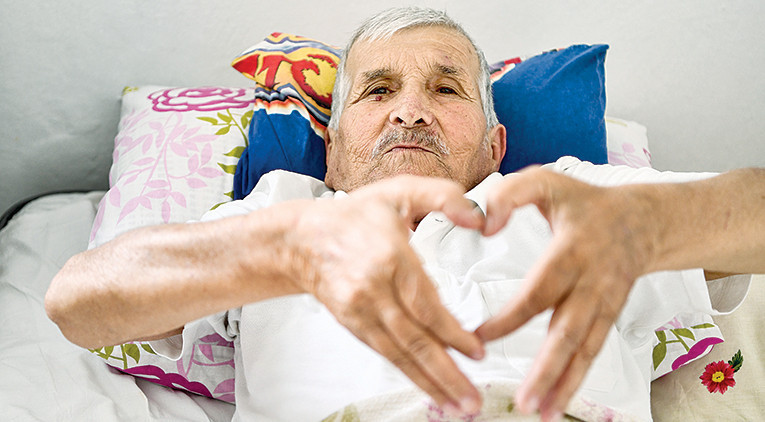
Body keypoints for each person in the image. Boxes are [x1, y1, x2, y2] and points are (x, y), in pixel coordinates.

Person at [44, 6, 763, 421]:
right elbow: (77, 304)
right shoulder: (280, 212)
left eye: (446, 89)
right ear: (330, 151)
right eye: (377, 90)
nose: (410, 111)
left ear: (495, 145)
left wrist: (657, 223)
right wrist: (283, 252)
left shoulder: (570, 193)